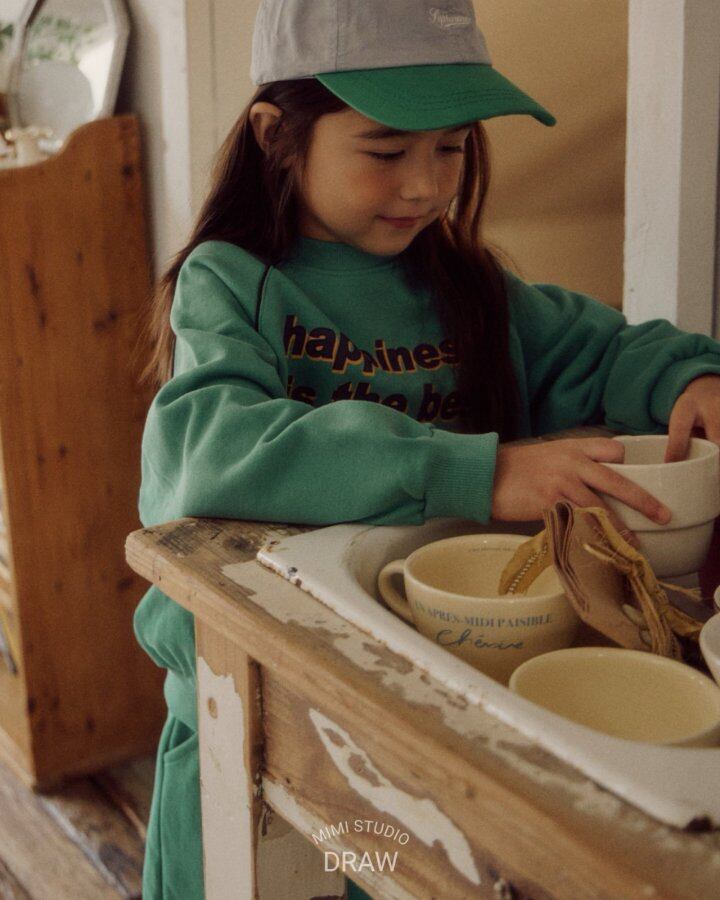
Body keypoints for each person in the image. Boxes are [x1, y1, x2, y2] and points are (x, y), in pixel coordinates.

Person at [133, 1, 720, 897]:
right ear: (275, 135)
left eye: (451, 147)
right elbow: (207, 446)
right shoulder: (232, 283)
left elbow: (607, 352)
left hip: (429, 718)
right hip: (250, 718)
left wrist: (688, 379)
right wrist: (480, 472)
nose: (426, 185)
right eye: (385, 151)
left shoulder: (470, 287)